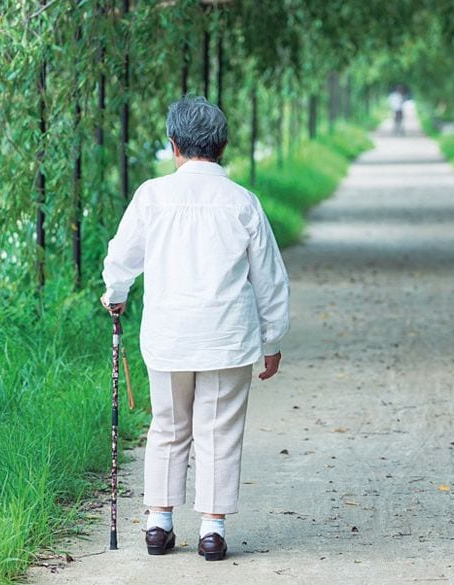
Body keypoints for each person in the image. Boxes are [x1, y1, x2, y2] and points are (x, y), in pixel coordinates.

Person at [100, 96, 290, 561]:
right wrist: (273, 339)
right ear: (222, 146)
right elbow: (268, 276)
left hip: (169, 337)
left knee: (167, 426)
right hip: (227, 336)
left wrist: (115, 293)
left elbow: (123, 257)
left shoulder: (152, 196)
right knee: (218, 429)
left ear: (173, 146)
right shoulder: (242, 202)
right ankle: (211, 529)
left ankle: (158, 523)